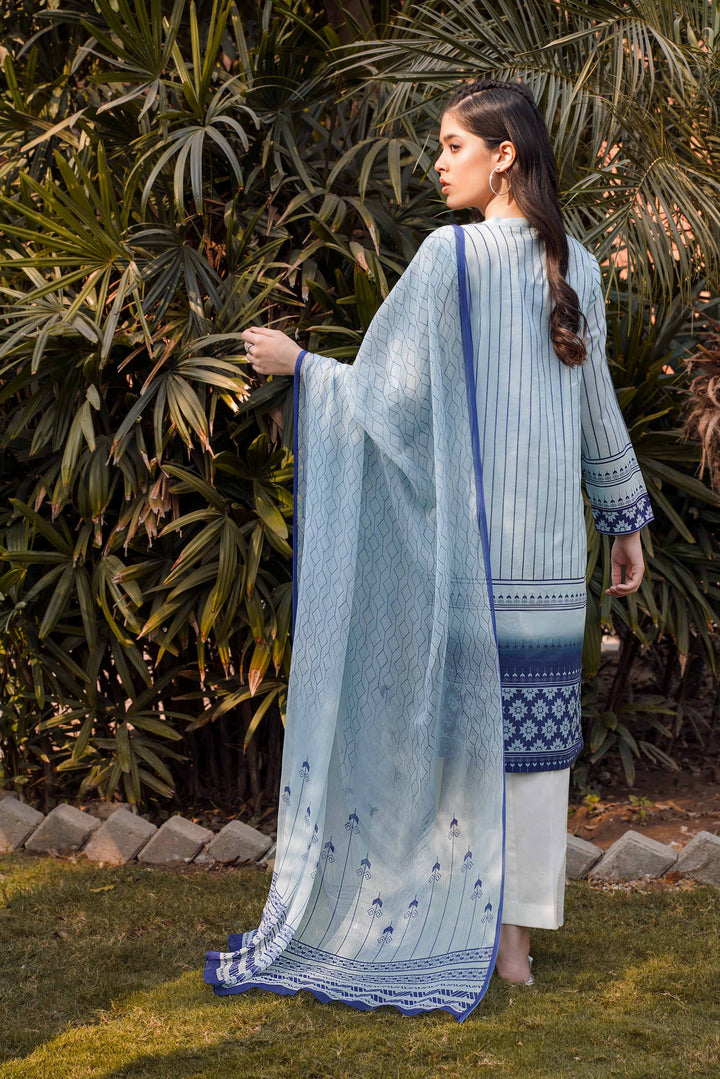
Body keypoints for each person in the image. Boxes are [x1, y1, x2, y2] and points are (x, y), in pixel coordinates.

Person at [204, 80, 653, 1017]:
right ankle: (512, 948)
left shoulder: (449, 258)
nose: (438, 163)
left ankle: (453, 917)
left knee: (468, 748)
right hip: (548, 557)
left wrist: (302, 368)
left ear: (505, 155)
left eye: (454, 145)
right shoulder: (574, 261)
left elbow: (386, 397)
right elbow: (596, 404)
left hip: (468, 557)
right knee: (534, 754)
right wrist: (624, 517)